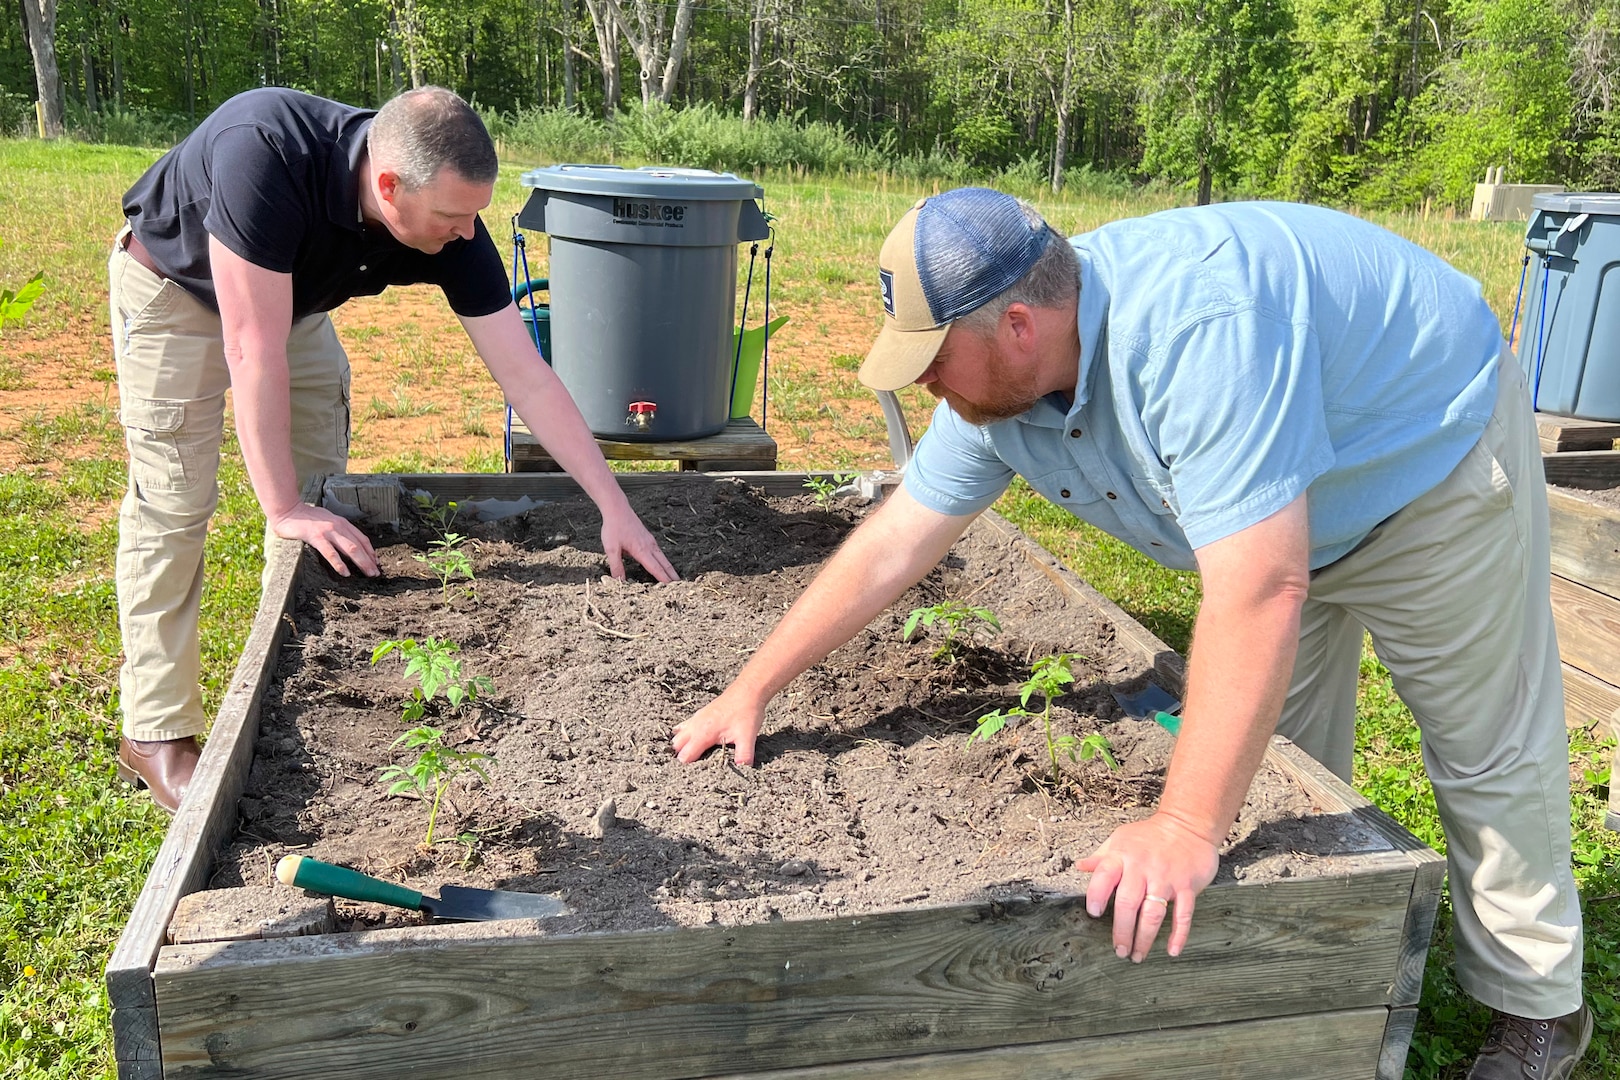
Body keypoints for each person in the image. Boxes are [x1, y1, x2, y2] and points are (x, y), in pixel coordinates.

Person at [671, 187, 1589, 1078]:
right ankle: (1309, 955)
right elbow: (892, 545)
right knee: (1279, 760)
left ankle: (1540, 1007)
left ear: (1019, 327)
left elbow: (1262, 586)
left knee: (1485, 745)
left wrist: (1184, 825)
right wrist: (752, 687)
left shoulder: (1198, 336)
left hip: (1424, 460)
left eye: (932, 358)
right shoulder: (997, 395)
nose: (923, 383)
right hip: (1286, 513)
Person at [112, 85, 677, 814]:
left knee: (323, 501)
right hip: (176, 295)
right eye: (451, 215)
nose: (468, 232)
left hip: (297, 307)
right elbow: (251, 348)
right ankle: (156, 733)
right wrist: (279, 505)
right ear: (387, 186)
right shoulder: (264, 153)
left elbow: (528, 377)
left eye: (474, 211)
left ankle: (284, 681)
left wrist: (613, 506)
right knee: (177, 502)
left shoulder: (452, 226)